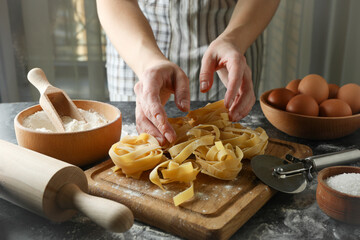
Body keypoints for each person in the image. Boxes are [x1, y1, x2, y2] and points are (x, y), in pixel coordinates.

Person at [96, 0, 280, 145]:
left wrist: (235, 39)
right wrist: (147, 62)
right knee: (144, 138)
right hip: (134, 44)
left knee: (227, 140)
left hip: (232, 43)